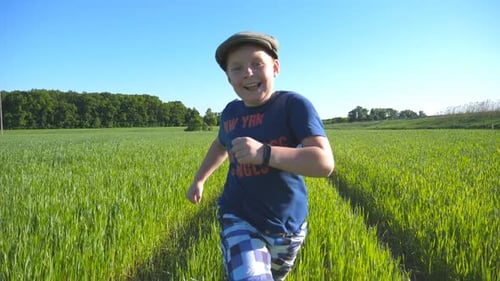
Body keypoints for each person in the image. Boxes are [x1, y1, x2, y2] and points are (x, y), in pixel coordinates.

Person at [186, 31, 334, 281]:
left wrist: (263, 153)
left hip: (287, 227)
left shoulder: (293, 106)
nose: (248, 73)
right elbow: (220, 145)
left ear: (275, 68)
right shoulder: (231, 112)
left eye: (257, 64)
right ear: (229, 78)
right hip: (238, 216)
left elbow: (323, 163)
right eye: (237, 68)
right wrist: (199, 179)